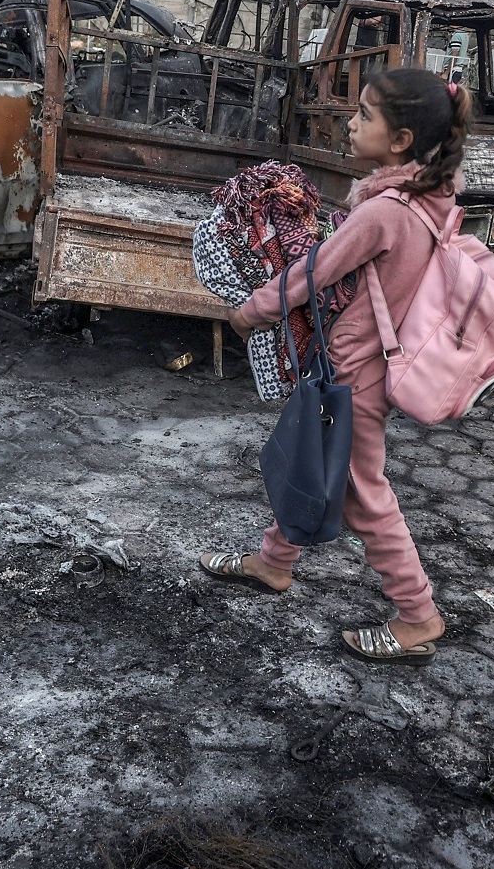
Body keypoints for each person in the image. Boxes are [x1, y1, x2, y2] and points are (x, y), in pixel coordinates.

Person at [201, 67, 471, 664]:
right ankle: (273, 563)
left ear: (400, 140)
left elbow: (311, 273)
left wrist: (252, 310)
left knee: (360, 492)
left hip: (358, 369)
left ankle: (419, 615)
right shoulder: (430, 195)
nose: (351, 123)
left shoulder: (384, 212)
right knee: (314, 459)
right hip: (371, 359)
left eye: (365, 115)